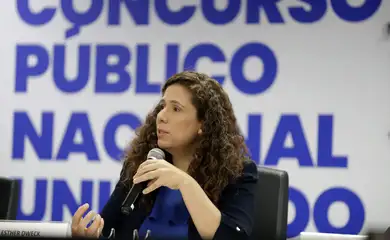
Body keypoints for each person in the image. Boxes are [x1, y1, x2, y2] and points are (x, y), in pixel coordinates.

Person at [70, 71, 259, 240]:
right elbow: (108, 230)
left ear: (204, 124)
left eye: (176, 109)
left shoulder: (238, 172)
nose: (161, 116)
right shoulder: (140, 165)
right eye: (163, 106)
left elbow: (233, 236)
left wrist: (185, 184)